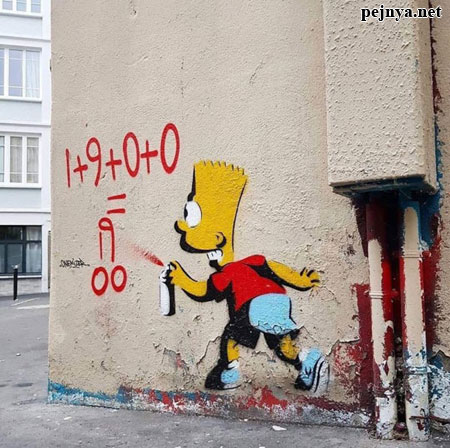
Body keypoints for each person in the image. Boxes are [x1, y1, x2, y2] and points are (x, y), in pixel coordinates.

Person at [164, 161, 326, 391]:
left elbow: (203, 291)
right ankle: (308, 360)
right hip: (279, 302)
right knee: (283, 347)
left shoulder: (228, 271)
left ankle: (228, 374)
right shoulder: (253, 260)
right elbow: (277, 269)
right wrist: (301, 280)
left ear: (218, 239)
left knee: (230, 337)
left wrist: (181, 278)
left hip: (254, 305)